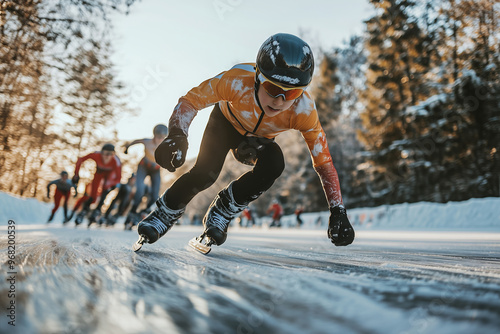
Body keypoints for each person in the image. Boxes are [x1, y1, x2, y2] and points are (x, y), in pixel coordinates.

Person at [136, 33, 355, 250]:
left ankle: (224, 209)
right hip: (225, 124)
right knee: (205, 172)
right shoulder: (236, 80)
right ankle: (164, 213)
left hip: (257, 143)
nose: (280, 101)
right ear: (258, 77)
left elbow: (324, 163)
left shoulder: (304, 110)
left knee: (275, 163)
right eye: (273, 88)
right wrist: (177, 134)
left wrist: (338, 210)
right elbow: (190, 101)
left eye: (293, 93)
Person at [124, 124, 168, 224]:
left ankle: (143, 212)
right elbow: (135, 142)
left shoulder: (166, 146)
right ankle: (132, 212)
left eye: (162, 138)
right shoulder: (147, 142)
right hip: (143, 166)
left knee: (155, 195)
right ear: (154, 135)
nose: (160, 140)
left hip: (155, 170)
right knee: (139, 190)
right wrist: (127, 148)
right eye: (158, 137)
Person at [69, 144, 122, 225]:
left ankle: (97, 210)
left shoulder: (116, 161)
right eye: (105, 153)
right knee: (93, 197)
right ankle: (83, 212)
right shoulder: (96, 155)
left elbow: (118, 177)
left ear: (113, 154)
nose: (107, 156)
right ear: (101, 153)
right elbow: (80, 159)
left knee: (105, 190)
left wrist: (114, 185)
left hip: (109, 176)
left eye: (110, 154)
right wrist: (76, 174)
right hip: (98, 173)